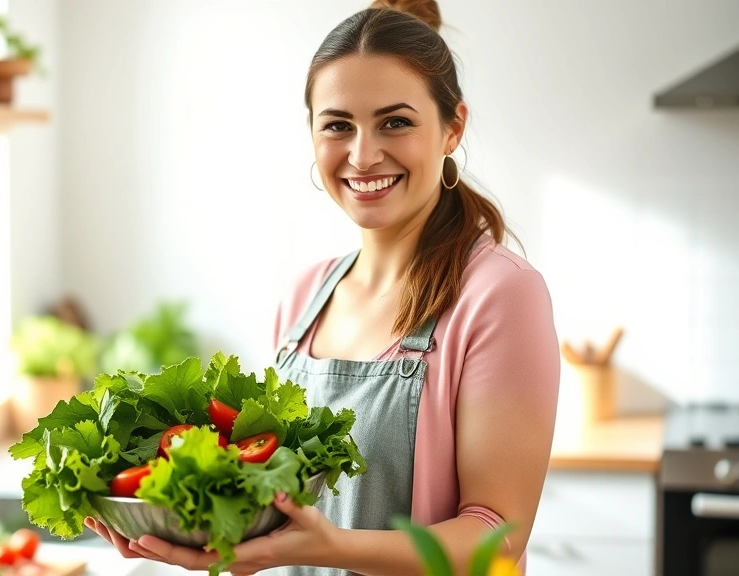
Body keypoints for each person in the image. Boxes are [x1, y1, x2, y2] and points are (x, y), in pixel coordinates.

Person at [85, 1, 560, 574]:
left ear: (452, 127)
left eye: (396, 122)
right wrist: (189, 524)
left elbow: (495, 537)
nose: (363, 155)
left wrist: (330, 548)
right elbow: (281, 498)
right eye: (338, 125)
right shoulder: (305, 296)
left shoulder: (500, 294)